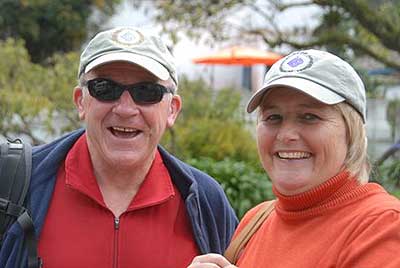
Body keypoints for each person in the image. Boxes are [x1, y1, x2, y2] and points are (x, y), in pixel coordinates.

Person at [0, 27, 238, 268]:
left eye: (146, 92)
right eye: (105, 89)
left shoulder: (206, 201)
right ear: (81, 102)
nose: (125, 109)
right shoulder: (16, 185)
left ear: (172, 110)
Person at [188, 49, 400, 268]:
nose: (286, 134)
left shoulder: (383, 226)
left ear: (351, 131)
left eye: (309, 117)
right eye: (273, 117)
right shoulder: (255, 221)